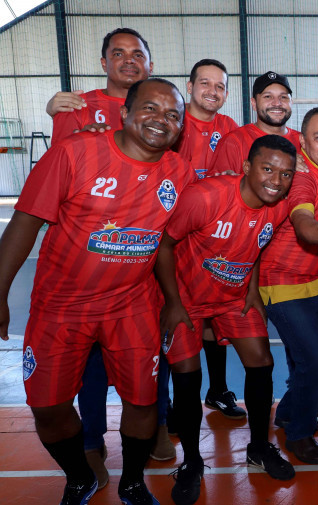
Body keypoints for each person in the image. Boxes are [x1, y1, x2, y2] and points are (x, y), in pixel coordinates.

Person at [0, 78, 193, 505]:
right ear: (124, 113)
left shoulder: (178, 171)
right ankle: (78, 476)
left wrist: (174, 302)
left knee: (143, 401)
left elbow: (161, 241)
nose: (161, 120)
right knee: (48, 410)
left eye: (173, 115)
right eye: (150, 109)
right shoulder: (74, 153)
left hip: (132, 304)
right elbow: (25, 222)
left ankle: (131, 483)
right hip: (62, 306)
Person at [156, 135, 298, 504]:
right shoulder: (205, 197)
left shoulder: (278, 206)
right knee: (188, 379)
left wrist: (251, 287)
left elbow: (253, 245)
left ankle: (259, 447)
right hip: (186, 299)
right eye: (267, 169)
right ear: (247, 167)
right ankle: (191, 462)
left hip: (233, 296)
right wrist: (172, 302)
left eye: (285, 174)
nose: (276, 180)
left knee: (262, 363)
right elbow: (164, 245)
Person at [260, 107, 318, 465]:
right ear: (303, 142)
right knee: (314, 358)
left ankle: (290, 411)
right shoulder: (303, 178)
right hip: (282, 282)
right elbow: (302, 220)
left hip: (316, 278)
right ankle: (298, 434)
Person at [170, 58, 248, 432]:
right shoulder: (172, 119)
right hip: (170, 228)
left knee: (214, 313)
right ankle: (171, 404)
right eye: (205, 83)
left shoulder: (230, 128)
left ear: (227, 93)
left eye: (219, 86)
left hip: (213, 236)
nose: (212, 91)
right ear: (189, 86)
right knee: (172, 316)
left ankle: (218, 389)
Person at [48, 28, 153, 143]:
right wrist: (80, 144)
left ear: (150, 67)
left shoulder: (168, 110)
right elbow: (60, 158)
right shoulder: (75, 106)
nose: (129, 60)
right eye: (118, 54)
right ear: (104, 63)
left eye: (138, 55)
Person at [210, 71, 301, 175]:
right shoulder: (233, 142)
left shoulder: (304, 142)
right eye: (268, 96)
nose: (277, 103)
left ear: (291, 102)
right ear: (254, 103)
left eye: (283, 97)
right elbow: (219, 187)